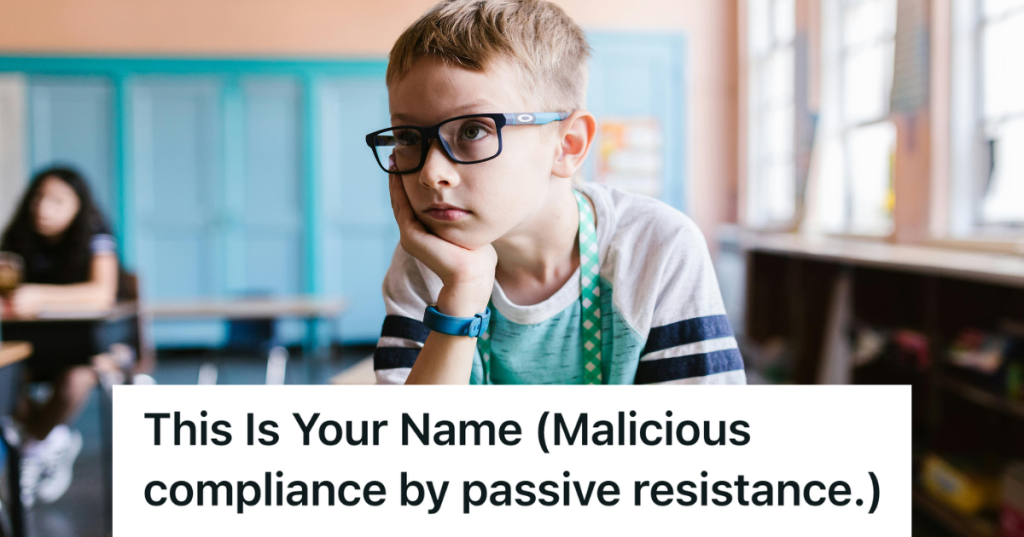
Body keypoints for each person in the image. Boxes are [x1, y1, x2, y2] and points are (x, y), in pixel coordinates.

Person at [371, 0, 746, 385]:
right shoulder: (427, 264)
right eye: (406, 137)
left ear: (568, 144)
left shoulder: (656, 248)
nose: (431, 174)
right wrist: (462, 291)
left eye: (472, 131)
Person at [0, 166, 121, 507]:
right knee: (6, 379)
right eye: (39, 198)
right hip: (32, 346)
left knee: (76, 381)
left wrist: (39, 295)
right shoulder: (18, 237)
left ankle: (32, 446)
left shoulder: (95, 235)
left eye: (57, 201)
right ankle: (49, 439)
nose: (44, 208)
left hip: (82, 349)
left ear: (78, 207)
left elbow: (102, 293)